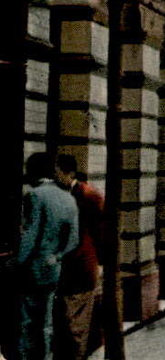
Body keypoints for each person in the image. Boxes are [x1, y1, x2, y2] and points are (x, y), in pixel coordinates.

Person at [17, 153, 78, 360]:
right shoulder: (68, 197)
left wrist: (17, 262)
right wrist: (57, 256)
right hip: (53, 269)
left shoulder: (34, 195)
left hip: (32, 269)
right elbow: (73, 239)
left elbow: (30, 235)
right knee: (47, 320)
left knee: (26, 322)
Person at [54, 157, 104, 360]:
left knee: (76, 322)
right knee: (72, 319)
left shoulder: (87, 195)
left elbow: (100, 231)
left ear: (69, 174)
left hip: (82, 264)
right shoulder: (70, 194)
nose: (56, 177)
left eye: (58, 172)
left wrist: (100, 262)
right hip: (72, 265)